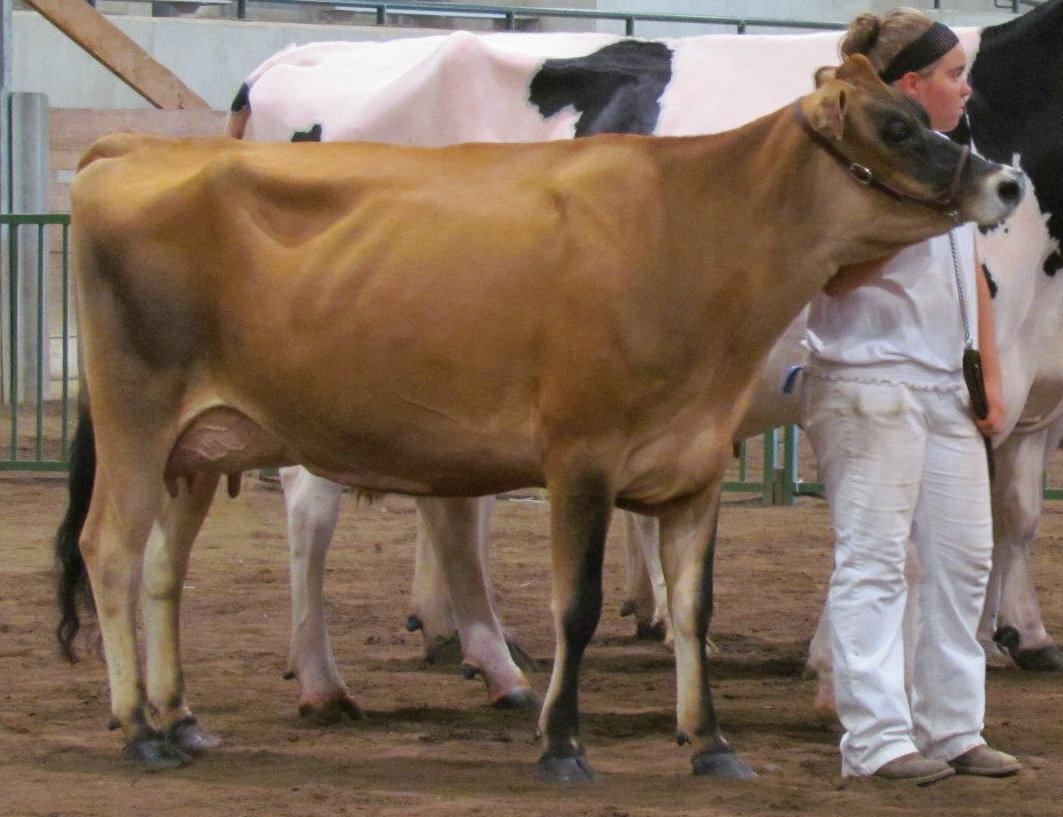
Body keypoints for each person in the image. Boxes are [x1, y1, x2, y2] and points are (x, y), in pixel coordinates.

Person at [800, 8, 1023, 786]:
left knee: (961, 561)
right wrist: (926, 213)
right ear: (910, 84)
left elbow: (974, 281)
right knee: (876, 563)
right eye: (955, 75)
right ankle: (875, 740)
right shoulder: (851, 161)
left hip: (940, 382)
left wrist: (988, 375)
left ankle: (954, 725)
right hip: (867, 379)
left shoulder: (957, 161)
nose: (966, 88)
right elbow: (828, 274)